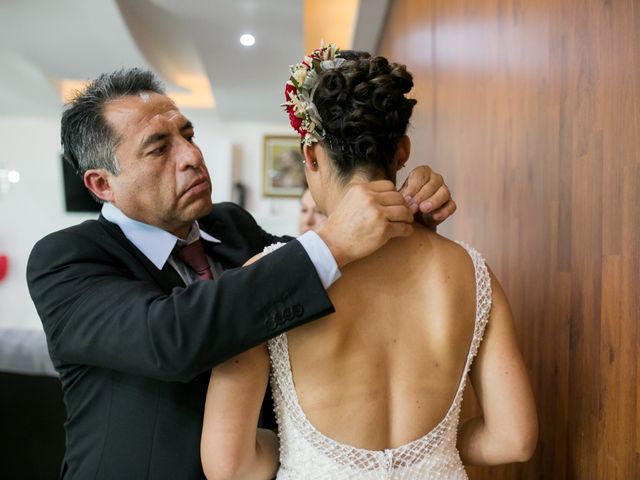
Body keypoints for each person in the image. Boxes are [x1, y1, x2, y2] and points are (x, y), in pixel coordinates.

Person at [26, 67, 456, 479]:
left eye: (188, 135)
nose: (192, 157)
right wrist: (335, 241)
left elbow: (324, 279)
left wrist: (402, 222)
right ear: (102, 185)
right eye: (159, 148)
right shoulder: (66, 260)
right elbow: (170, 337)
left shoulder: (231, 226)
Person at [200, 46, 537, 479]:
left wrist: (305, 453)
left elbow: (229, 467)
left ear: (311, 155)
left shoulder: (267, 278)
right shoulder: (471, 272)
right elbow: (514, 438)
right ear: (402, 151)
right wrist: (432, 454)